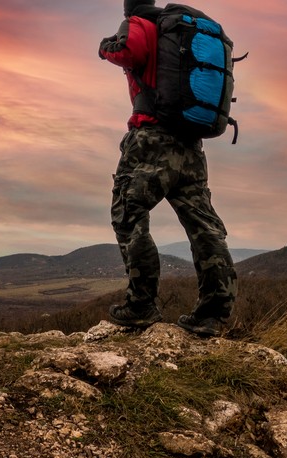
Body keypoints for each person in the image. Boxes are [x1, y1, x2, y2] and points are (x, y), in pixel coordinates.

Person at [98, 0, 237, 337]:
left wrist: (105, 48)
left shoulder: (140, 24)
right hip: (191, 145)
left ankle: (141, 304)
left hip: (152, 139)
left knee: (128, 213)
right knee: (203, 224)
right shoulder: (177, 30)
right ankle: (214, 312)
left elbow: (128, 52)